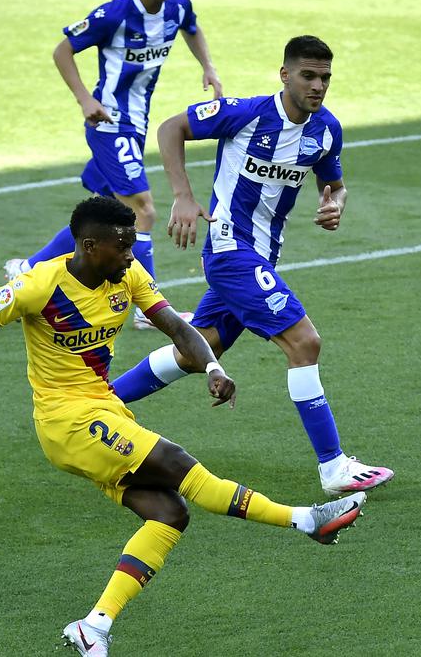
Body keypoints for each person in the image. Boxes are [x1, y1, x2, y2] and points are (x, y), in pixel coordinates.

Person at [0, 196, 366, 655]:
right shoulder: (39, 285)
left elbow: (179, 329)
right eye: (122, 245)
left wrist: (212, 368)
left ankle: (94, 626)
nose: (131, 254)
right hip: (66, 422)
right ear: (89, 245)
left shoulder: (127, 276)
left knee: (169, 514)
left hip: (103, 411)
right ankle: (305, 520)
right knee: (176, 462)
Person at [109, 36, 394, 496]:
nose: (318, 86)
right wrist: (183, 194)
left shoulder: (326, 130)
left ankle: (96, 405)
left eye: (325, 78)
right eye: (308, 75)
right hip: (229, 250)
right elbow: (169, 128)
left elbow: (335, 185)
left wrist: (334, 204)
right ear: (285, 75)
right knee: (304, 342)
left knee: (198, 350)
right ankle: (333, 466)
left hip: (262, 254)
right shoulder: (246, 113)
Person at [3, 0, 220, 331]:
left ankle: (29, 268)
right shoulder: (114, 15)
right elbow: (63, 50)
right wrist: (85, 99)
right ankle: (146, 307)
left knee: (102, 211)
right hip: (109, 122)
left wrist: (208, 67)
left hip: (136, 124)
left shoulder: (178, 5)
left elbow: (192, 28)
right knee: (144, 211)